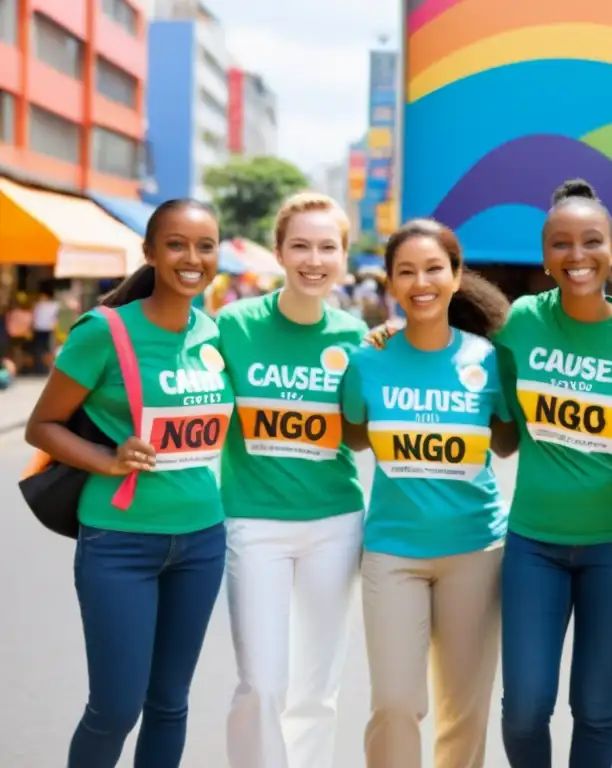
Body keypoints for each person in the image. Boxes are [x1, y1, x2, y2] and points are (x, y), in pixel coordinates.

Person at [24, 199, 233, 768]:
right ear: (149, 252)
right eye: (176, 244)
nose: (192, 258)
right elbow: (41, 427)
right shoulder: (105, 331)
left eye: (205, 245)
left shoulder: (218, 335)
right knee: (115, 707)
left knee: (170, 704)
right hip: (119, 543)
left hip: (202, 541)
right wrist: (104, 456)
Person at [495, 180, 612, 768]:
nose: (577, 255)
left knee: (595, 709)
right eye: (561, 244)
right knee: (524, 707)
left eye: (591, 241)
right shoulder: (520, 322)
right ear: (545, 257)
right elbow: (470, 376)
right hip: (533, 546)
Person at [344, 219, 515, 768]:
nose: (421, 282)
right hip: (393, 552)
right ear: (391, 284)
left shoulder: (489, 359)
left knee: (464, 709)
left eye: (434, 269)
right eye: (406, 272)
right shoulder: (367, 359)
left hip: (476, 551)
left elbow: (508, 443)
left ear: (457, 276)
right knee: (395, 702)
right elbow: (352, 436)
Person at [217, 193, 368, 768]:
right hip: (253, 523)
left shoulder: (357, 339)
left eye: (327, 246)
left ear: (343, 256)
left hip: (334, 523)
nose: (313, 259)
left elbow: (359, 431)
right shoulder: (234, 326)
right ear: (278, 252)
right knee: (262, 681)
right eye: (300, 245)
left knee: (315, 687)